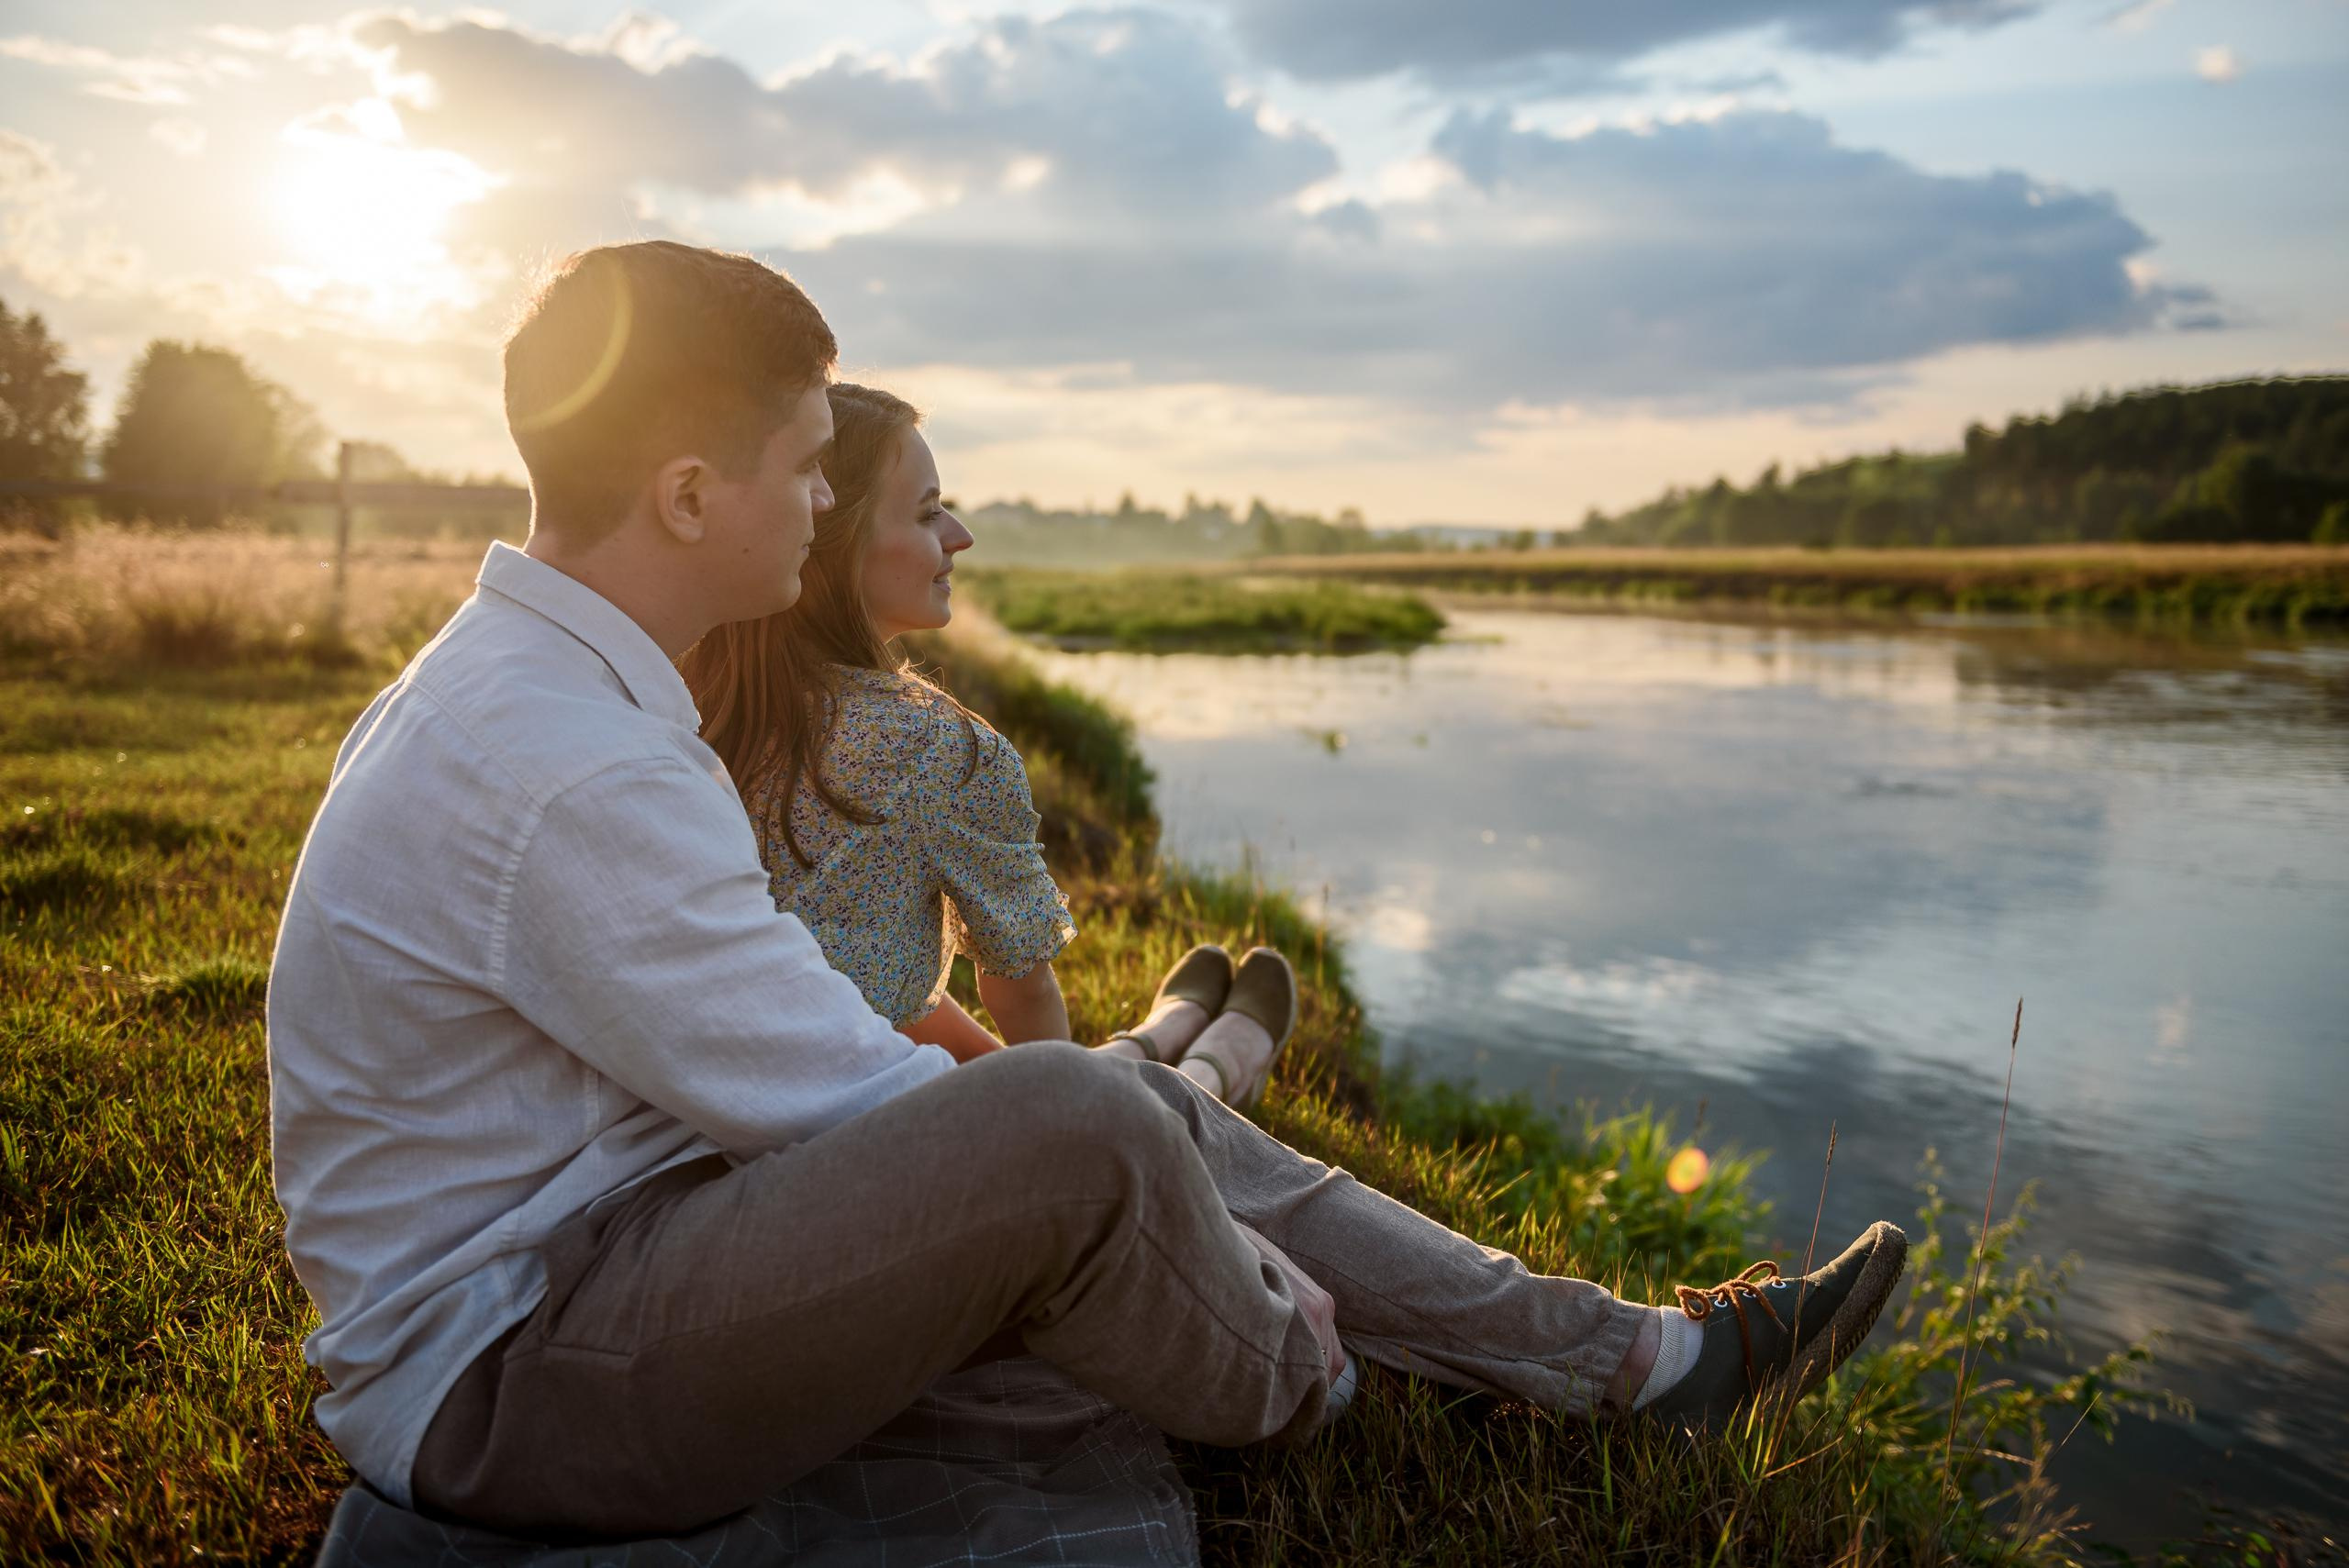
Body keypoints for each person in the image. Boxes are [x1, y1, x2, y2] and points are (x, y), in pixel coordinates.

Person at [266, 239, 1908, 1540]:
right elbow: (845, 1098)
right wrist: (1241, 1279)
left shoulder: (552, 692)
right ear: (691, 494)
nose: (827, 504)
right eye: (806, 468)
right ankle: (1321, 1378)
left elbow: (809, 1054)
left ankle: (1634, 1358)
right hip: (514, 1377)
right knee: (1087, 1117)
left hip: (605, 1260)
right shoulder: (571, 760)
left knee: (1109, 1103)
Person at [677, 381, 1291, 1102]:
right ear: (832, 544)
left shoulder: (684, 702)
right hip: (872, 1127)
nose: (960, 536)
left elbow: (867, 983)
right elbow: (1024, 994)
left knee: (1095, 1072)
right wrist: (1078, 1125)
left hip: (757, 1099)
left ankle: (1146, 1040)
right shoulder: (937, 748)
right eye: (929, 511)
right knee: (1161, 1108)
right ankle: (1217, 1064)